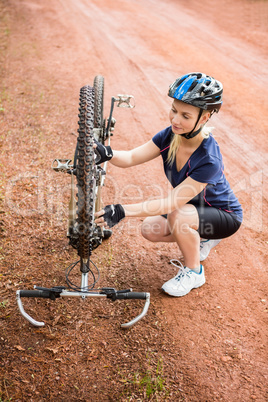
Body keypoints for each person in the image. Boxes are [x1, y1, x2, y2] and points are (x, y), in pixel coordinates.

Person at [94, 72, 243, 297]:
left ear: (204, 118)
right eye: (174, 110)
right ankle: (202, 236)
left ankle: (195, 272)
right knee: (149, 230)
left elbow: (171, 203)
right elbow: (133, 157)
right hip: (192, 208)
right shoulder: (171, 136)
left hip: (224, 215)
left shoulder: (208, 158)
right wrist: (108, 153)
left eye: (185, 115)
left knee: (177, 215)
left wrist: (122, 210)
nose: (175, 120)